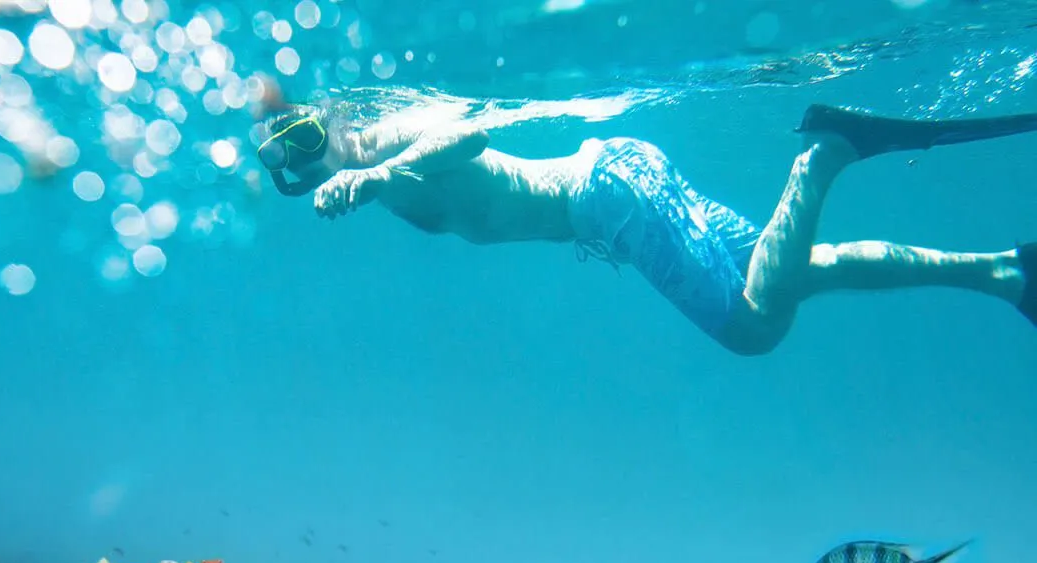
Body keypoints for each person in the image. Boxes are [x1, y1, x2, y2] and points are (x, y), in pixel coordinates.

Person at [252, 101, 1037, 355]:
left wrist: (375, 173)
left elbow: (468, 134)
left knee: (754, 328)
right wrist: (367, 181)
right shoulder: (370, 176)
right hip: (619, 175)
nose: (311, 159)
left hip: (608, 197)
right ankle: (1003, 272)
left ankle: (827, 151)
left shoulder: (390, 136)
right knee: (797, 267)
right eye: (291, 160)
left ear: (335, 121)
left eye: (310, 134)